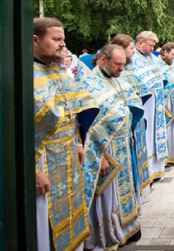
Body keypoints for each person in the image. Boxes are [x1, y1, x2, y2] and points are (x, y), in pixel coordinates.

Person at [33, 17, 101, 251]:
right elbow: (25, 129)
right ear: (35, 40)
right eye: (56, 39)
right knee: (46, 226)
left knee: (71, 215)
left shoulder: (58, 71)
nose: (63, 44)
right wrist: (34, 171)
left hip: (68, 157)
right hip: (44, 163)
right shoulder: (26, 75)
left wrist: (78, 143)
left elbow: (71, 112)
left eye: (63, 39)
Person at [80, 45, 143, 249]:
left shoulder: (117, 78)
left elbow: (128, 106)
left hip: (123, 145)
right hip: (105, 150)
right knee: (108, 197)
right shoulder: (90, 84)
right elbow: (88, 125)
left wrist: (131, 132)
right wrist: (102, 156)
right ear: (102, 60)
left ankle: (127, 228)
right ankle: (108, 234)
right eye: (117, 64)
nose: (121, 68)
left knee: (123, 192)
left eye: (123, 64)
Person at [110, 34, 152, 202]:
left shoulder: (128, 69)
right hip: (122, 129)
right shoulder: (117, 72)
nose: (134, 51)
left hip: (134, 123)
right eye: (131, 48)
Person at [131, 31, 174, 180]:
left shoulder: (150, 58)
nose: (152, 48)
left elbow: (161, 77)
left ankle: (156, 169)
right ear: (140, 43)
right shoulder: (133, 59)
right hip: (146, 105)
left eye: (153, 45)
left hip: (157, 104)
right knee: (147, 136)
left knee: (155, 135)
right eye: (150, 45)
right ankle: (148, 171)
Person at [160, 41, 174, 157]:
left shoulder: (170, 66)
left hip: (173, 100)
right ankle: (169, 155)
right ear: (165, 52)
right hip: (165, 102)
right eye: (172, 55)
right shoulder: (158, 66)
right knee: (168, 126)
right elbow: (160, 85)